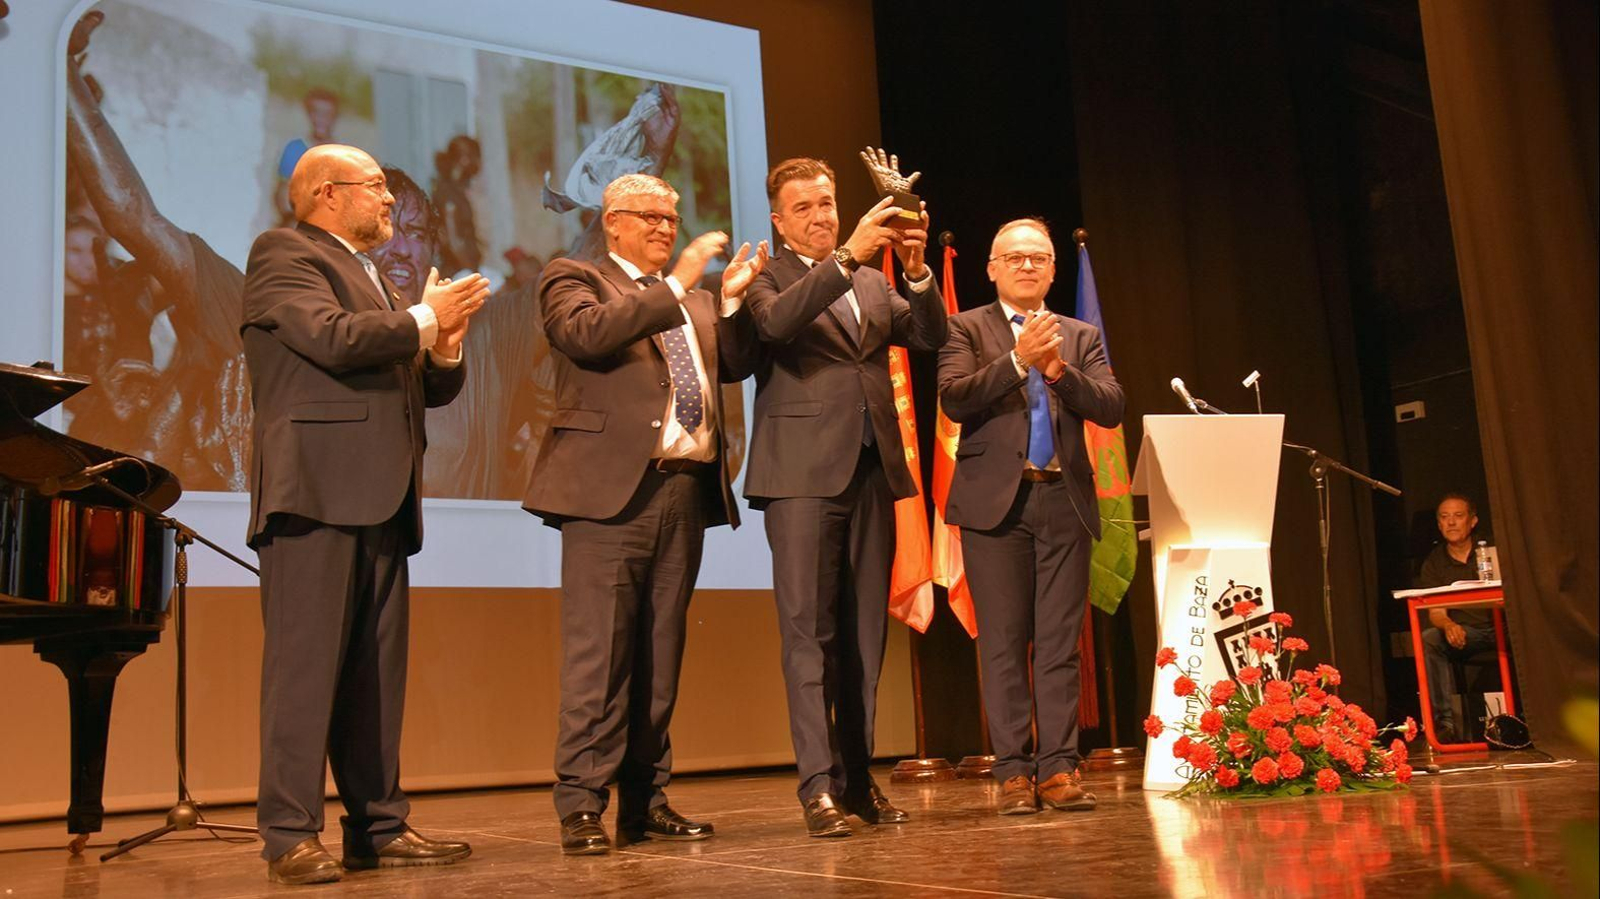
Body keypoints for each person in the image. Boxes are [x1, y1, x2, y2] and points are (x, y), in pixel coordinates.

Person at [241, 143, 490, 885]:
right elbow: (332, 339)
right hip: (315, 492)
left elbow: (418, 388)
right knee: (304, 672)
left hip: (382, 493)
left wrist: (443, 348)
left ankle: (377, 827)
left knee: (376, 676)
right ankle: (289, 833)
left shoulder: (375, 275)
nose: (387, 198)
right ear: (326, 193)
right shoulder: (284, 254)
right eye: (375, 186)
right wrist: (425, 317)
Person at [525, 173, 765, 856]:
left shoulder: (696, 299)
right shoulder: (575, 278)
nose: (664, 228)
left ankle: (645, 800)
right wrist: (677, 283)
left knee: (661, 655)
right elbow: (586, 336)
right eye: (650, 217)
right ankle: (581, 803)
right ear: (612, 222)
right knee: (599, 657)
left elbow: (736, 363)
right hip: (609, 496)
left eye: (671, 218)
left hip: (683, 491)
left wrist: (733, 301)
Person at [742, 156, 947, 838]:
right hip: (800, 476)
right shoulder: (768, 276)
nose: (820, 216)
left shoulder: (870, 280)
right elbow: (775, 326)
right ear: (780, 221)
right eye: (803, 208)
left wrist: (916, 272)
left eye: (826, 203)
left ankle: (859, 780)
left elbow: (928, 336)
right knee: (809, 635)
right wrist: (846, 257)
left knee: (863, 637)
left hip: (870, 469)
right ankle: (817, 786)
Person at [936, 218, 1125, 816]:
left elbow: (1111, 407)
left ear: (1052, 270)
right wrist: (1018, 361)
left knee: (1060, 645)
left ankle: (1059, 768)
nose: (1026, 265)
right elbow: (954, 398)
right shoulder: (965, 327)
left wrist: (1057, 370)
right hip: (996, 505)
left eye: (1038, 257)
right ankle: (1014, 772)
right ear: (991, 268)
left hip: (1064, 500)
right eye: (1014, 257)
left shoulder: (1080, 334)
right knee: (1002, 642)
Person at [1417, 493, 1501, 742]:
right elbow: (1436, 612)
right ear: (1439, 524)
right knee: (1430, 639)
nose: (1451, 522)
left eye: (1458, 516)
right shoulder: (1434, 562)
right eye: (1445, 517)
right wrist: (1449, 625)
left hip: (1503, 628)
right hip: (1466, 634)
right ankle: (1446, 723)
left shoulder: (1491, 549)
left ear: (1472, 521)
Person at [274, 88, 340, 226]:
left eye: (327, 114)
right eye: (316, 112)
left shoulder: (342, 155)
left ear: (334, 117)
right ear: (309, 114)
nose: (321, 119)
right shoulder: (295, 149)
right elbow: (282, 197)